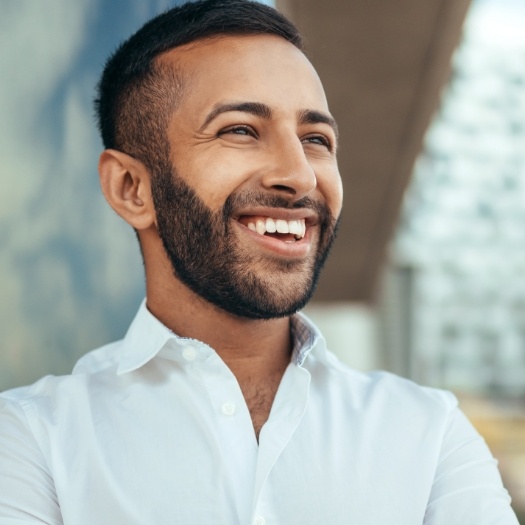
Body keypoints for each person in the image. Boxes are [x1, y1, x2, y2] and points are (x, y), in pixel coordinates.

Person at [0, 0, 519, 523]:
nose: (300, 175)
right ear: (132, 188)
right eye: (241, 130)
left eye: (316, 140)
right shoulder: (31, 439)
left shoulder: (429, 435)